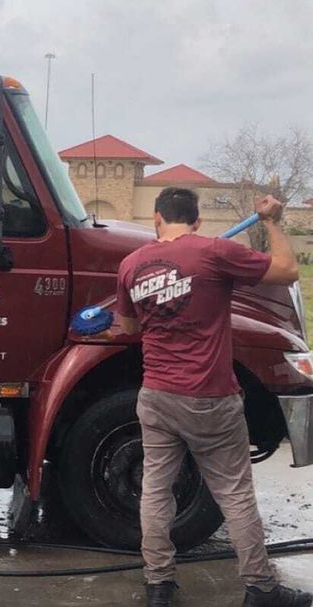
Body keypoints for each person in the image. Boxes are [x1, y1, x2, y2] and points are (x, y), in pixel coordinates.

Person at [115, 188, 311, 607]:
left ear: (156, 218)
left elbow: (127, 325)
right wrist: (273, 220)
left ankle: (158, 585)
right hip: (210, 397)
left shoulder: (131, 265)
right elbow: (287, 270)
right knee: (235, 495)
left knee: (155, 491)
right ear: (198, 221)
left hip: (156, 395)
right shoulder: (214, 252)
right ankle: (260, 588)